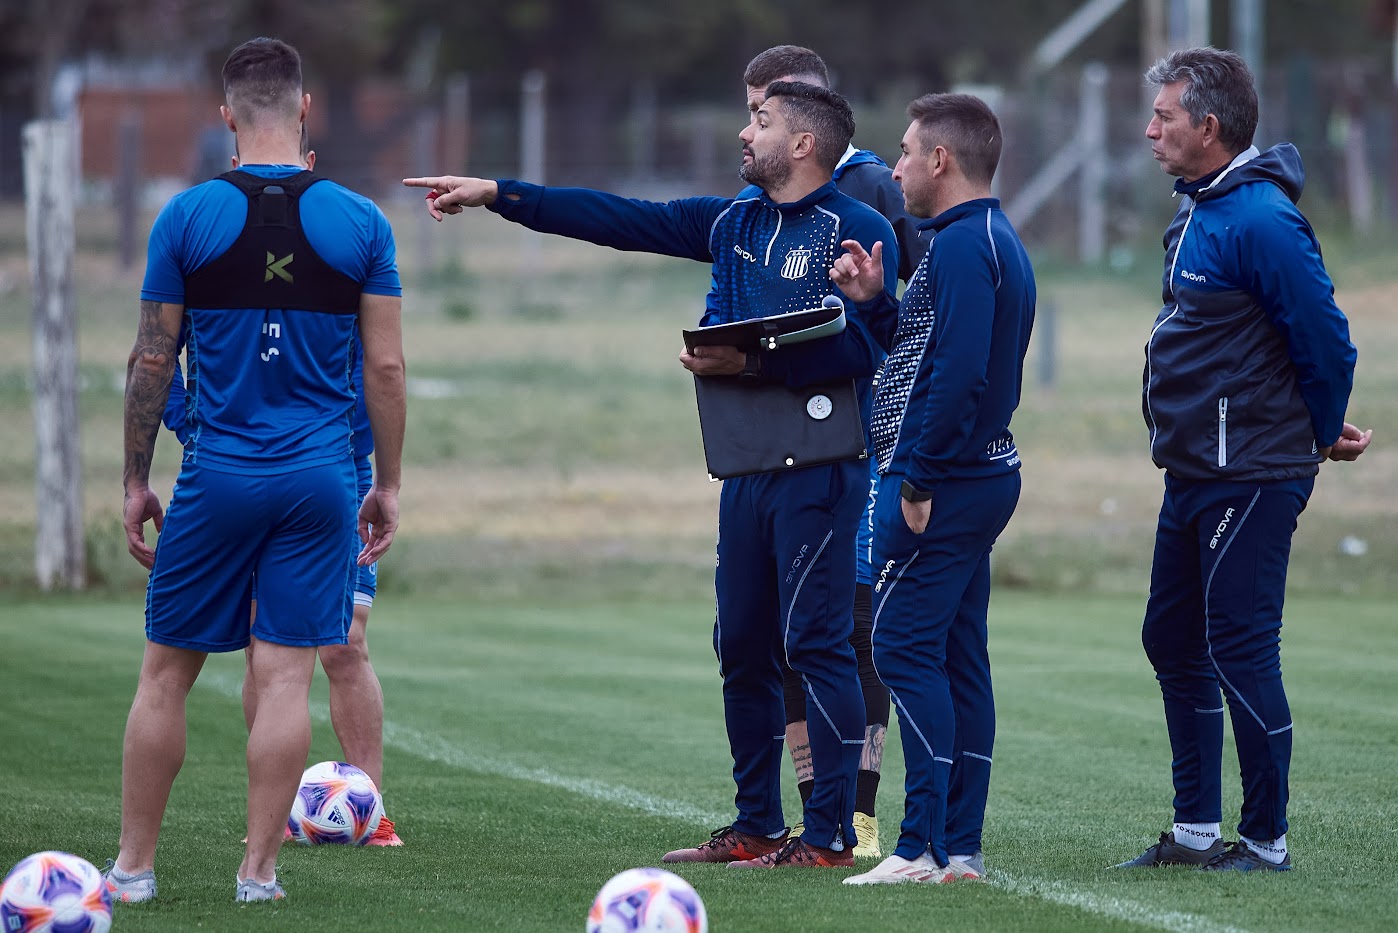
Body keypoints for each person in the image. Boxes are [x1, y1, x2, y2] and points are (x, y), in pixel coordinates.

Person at [406, 79, 899, 869]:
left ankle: (832, 834)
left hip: (820, 469)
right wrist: (500, 194)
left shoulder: (859, 226)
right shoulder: (733, 221)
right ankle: (756, 824)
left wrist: (772, 349)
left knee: (815, 643)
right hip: (743, 465)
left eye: (761, 121)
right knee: (740, 642)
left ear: (804, 144)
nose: (744, 132)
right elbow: (620, 219)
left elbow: (870, 352)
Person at [106, 36, 405, 904]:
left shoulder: (186, 218)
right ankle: (258, 873)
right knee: (284, 673)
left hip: (217, 474)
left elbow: (152, 360)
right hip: (320, 481)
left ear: (226, 115)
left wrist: (134, 478)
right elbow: (384, 372)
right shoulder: (362, 223)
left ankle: (131, 871)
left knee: (167, 671)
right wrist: (385, 484)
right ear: (306, 109)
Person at [1113, 47, 1370, 873]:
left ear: (1209, 128)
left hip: (1254, 473)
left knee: (1238, 648)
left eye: (1165, 117)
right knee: (1170, 638)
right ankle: (1194, 833)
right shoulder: (1196, 210)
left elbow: (1326, 338)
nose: (1150, 130)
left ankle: (1265, 840)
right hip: (1194, 471)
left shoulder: (1261, 219)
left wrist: (1321, 428)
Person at [163, 133, 402, 849]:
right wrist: (192, 425)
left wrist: (362, 454)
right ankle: (273, 819)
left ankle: (369, 805)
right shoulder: (210, 239)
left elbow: (379, 364)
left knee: (346, 644)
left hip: (333, 469)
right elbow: (161, 358)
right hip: (237, 469)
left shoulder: (346, 239)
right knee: (270, 653)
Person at [829, 93, 1035, 885]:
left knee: (902, 647)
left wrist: (917, 476)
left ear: (942, 161)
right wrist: (877, 304)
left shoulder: (959, 247)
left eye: (908, 151)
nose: (898, 165)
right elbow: (923, 357)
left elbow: (959, 377)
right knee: (956, 655)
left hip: (945, 481)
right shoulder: (977, 239)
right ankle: (961, 849)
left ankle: (920, 847)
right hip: (974, 474)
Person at [736, 45, 929, 861]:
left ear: (808, 119)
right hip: (779, 444)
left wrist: (907, 437)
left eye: (761, 114)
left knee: (849, 625)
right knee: (785, 629)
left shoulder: (876, 195)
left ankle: (857, 810)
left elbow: (909, 319)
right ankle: (815, 810)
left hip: (863, 446)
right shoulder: (764, 203)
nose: (749, 130)